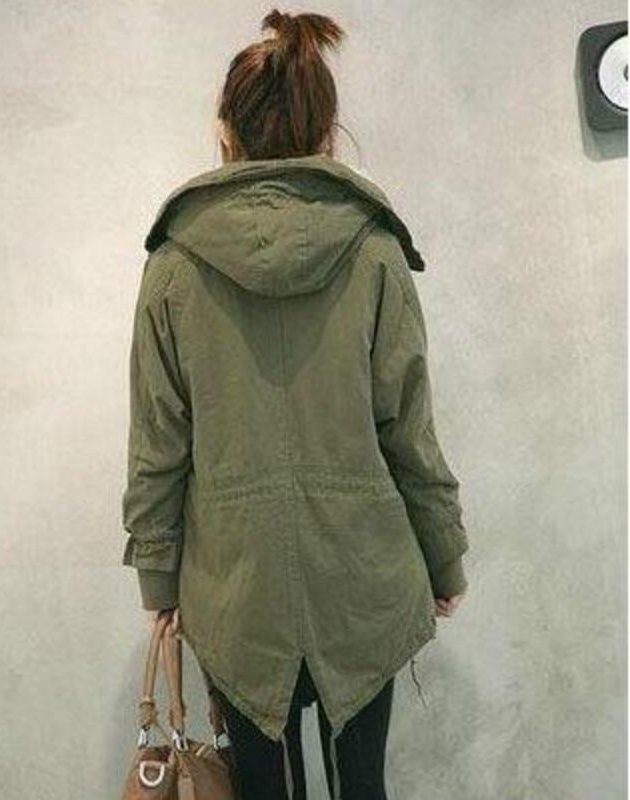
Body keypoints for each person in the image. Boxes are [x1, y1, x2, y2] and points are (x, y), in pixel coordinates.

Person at [121, 9, 469, 799]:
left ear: (225, 132)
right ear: (326, 134)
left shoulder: (172, 267)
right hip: (362, 577)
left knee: (263, 788)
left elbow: (158, 443)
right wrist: (443, 555)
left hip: (235, 591)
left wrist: (159, 580)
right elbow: (408, 426)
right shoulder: (373, 251)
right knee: (362, 786)